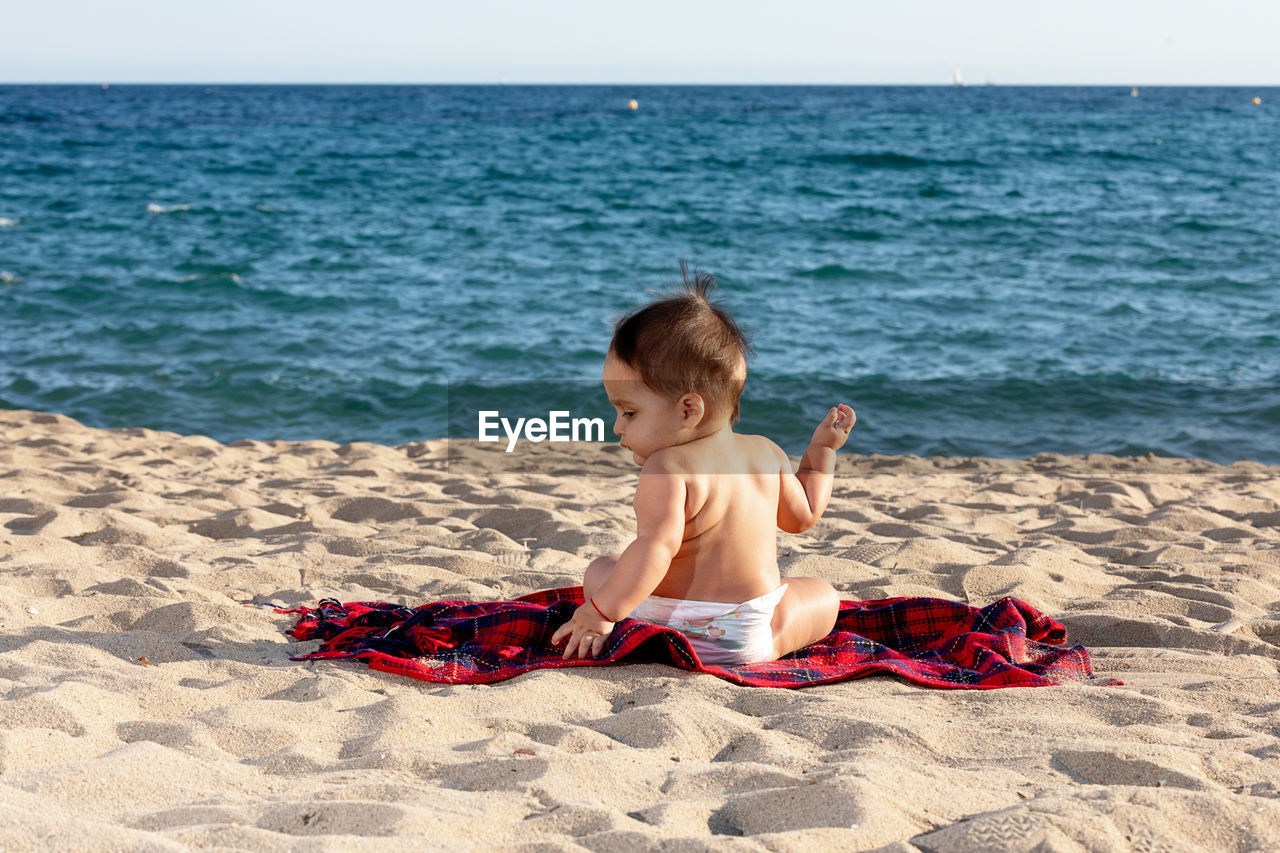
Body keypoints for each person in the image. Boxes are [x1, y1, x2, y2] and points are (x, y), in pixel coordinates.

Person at [550, 266, 855, 665]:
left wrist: (601, 613)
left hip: (654, 621)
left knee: (601, 570)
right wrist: (822, 452)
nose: (617, 427)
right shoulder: (767, 453)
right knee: (822, 595)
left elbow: (655, 549)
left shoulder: (667, 467)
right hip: (741, 634)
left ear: (689, 409)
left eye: (629, 412)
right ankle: (770, 646)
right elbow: (804, 517)